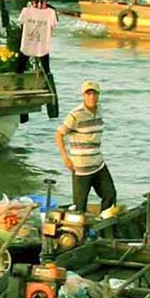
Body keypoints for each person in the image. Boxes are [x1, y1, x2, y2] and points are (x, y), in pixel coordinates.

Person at [57, 80, 116, 214]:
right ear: (83, 96)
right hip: (81, 168)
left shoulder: (100, 110)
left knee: (110, 195)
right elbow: (59, 134)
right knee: (79, 207)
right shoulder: (76, 115)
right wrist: (65, 157)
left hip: (98, 164)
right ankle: (82, 232)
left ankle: (104, 226)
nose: (92, 97)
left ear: (98, 95)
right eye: (88, 94)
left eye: (94, 94)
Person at [15, 0, 57, 80]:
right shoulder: (50, 12)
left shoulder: (27, 11)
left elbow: (21, 24)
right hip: (41, 46)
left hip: (28, 44)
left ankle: (18, 81)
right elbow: (53, 27)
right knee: (46, 70)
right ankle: (47, 80)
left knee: (20, 67)